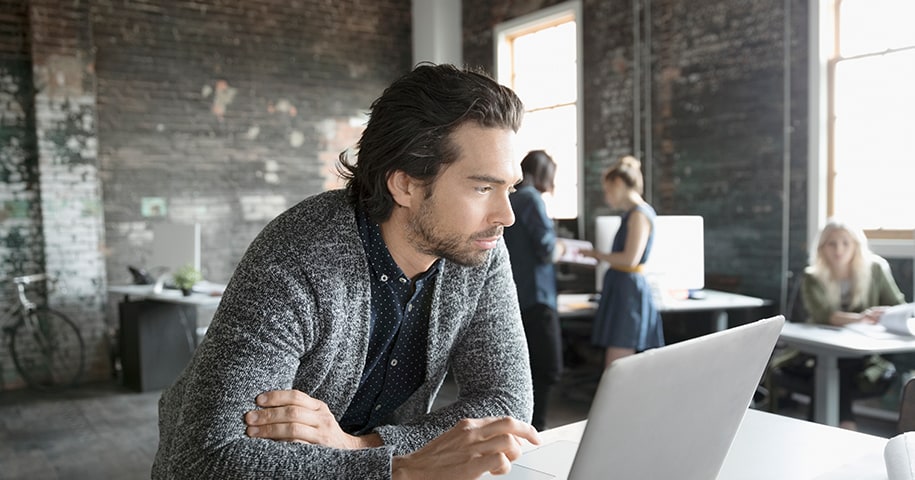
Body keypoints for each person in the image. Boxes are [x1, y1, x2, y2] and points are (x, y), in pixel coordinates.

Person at [152, 63, 540, 479]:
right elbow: (210, 456)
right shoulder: (298, 255)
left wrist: (364, 447)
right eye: (483, 188)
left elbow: (506, 402)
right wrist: (400, 471)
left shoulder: (477, 246)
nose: (507, 216)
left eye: (509, 188)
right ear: (405, 184)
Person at [800, 218, 906, 430]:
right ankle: (845, 425)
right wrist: (861, 317)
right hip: (822, 348)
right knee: (836, 364)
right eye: (832, 243)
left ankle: (818, 429)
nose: (839, 250)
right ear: (822, 247)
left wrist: (883, 314)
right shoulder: (812, 276)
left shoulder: (875, 269)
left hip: (866, 351)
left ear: (856, 245)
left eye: (845, 243)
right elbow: (823, 315)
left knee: (837, 370)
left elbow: (898, 306)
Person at [581, 155, 663, 368]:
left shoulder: (639, 215)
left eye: (608, 190)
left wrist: (598, 255)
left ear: (618, 184)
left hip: (628, 292)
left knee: (618, 362)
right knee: (618, 359)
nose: (607, 197)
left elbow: (630, 258)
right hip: (622, 288)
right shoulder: (632, 214)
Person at [503, 150, 563, 432]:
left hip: (514, 295)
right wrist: (563, 247)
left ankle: (524, 429)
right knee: (548, 367)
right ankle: (535, 429)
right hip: (537, 296)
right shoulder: (531, 199)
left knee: (522, 369)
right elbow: (547, 248)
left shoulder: (511, 199)